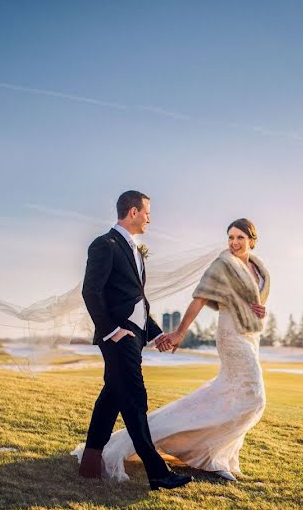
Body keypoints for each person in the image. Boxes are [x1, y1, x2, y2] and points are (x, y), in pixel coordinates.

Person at [73, 218, 270, 482]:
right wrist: (178, 333)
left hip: (251, 336)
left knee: (230, 394)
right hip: (230, 336)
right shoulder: (223, 265)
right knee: (254, 396)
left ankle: (216, 456)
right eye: (231, 237)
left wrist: (260, 311)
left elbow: (252, 302)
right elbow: (199, 300)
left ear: (252, 241)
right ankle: (167, 462)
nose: (234, 243)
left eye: (240, 238)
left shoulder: (259, 269)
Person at [74, 190, 192, 491]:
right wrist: (112, 331)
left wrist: (155, 334)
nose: (150, 218)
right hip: (118, 337)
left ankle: (90, 463)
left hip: (134, 336)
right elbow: (91, 291)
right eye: (147, 212)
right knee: (136, 399)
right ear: (133, 212)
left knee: (112, 395)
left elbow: (136, 300)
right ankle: (157, 473)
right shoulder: (104, 244)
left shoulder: (136, 251)